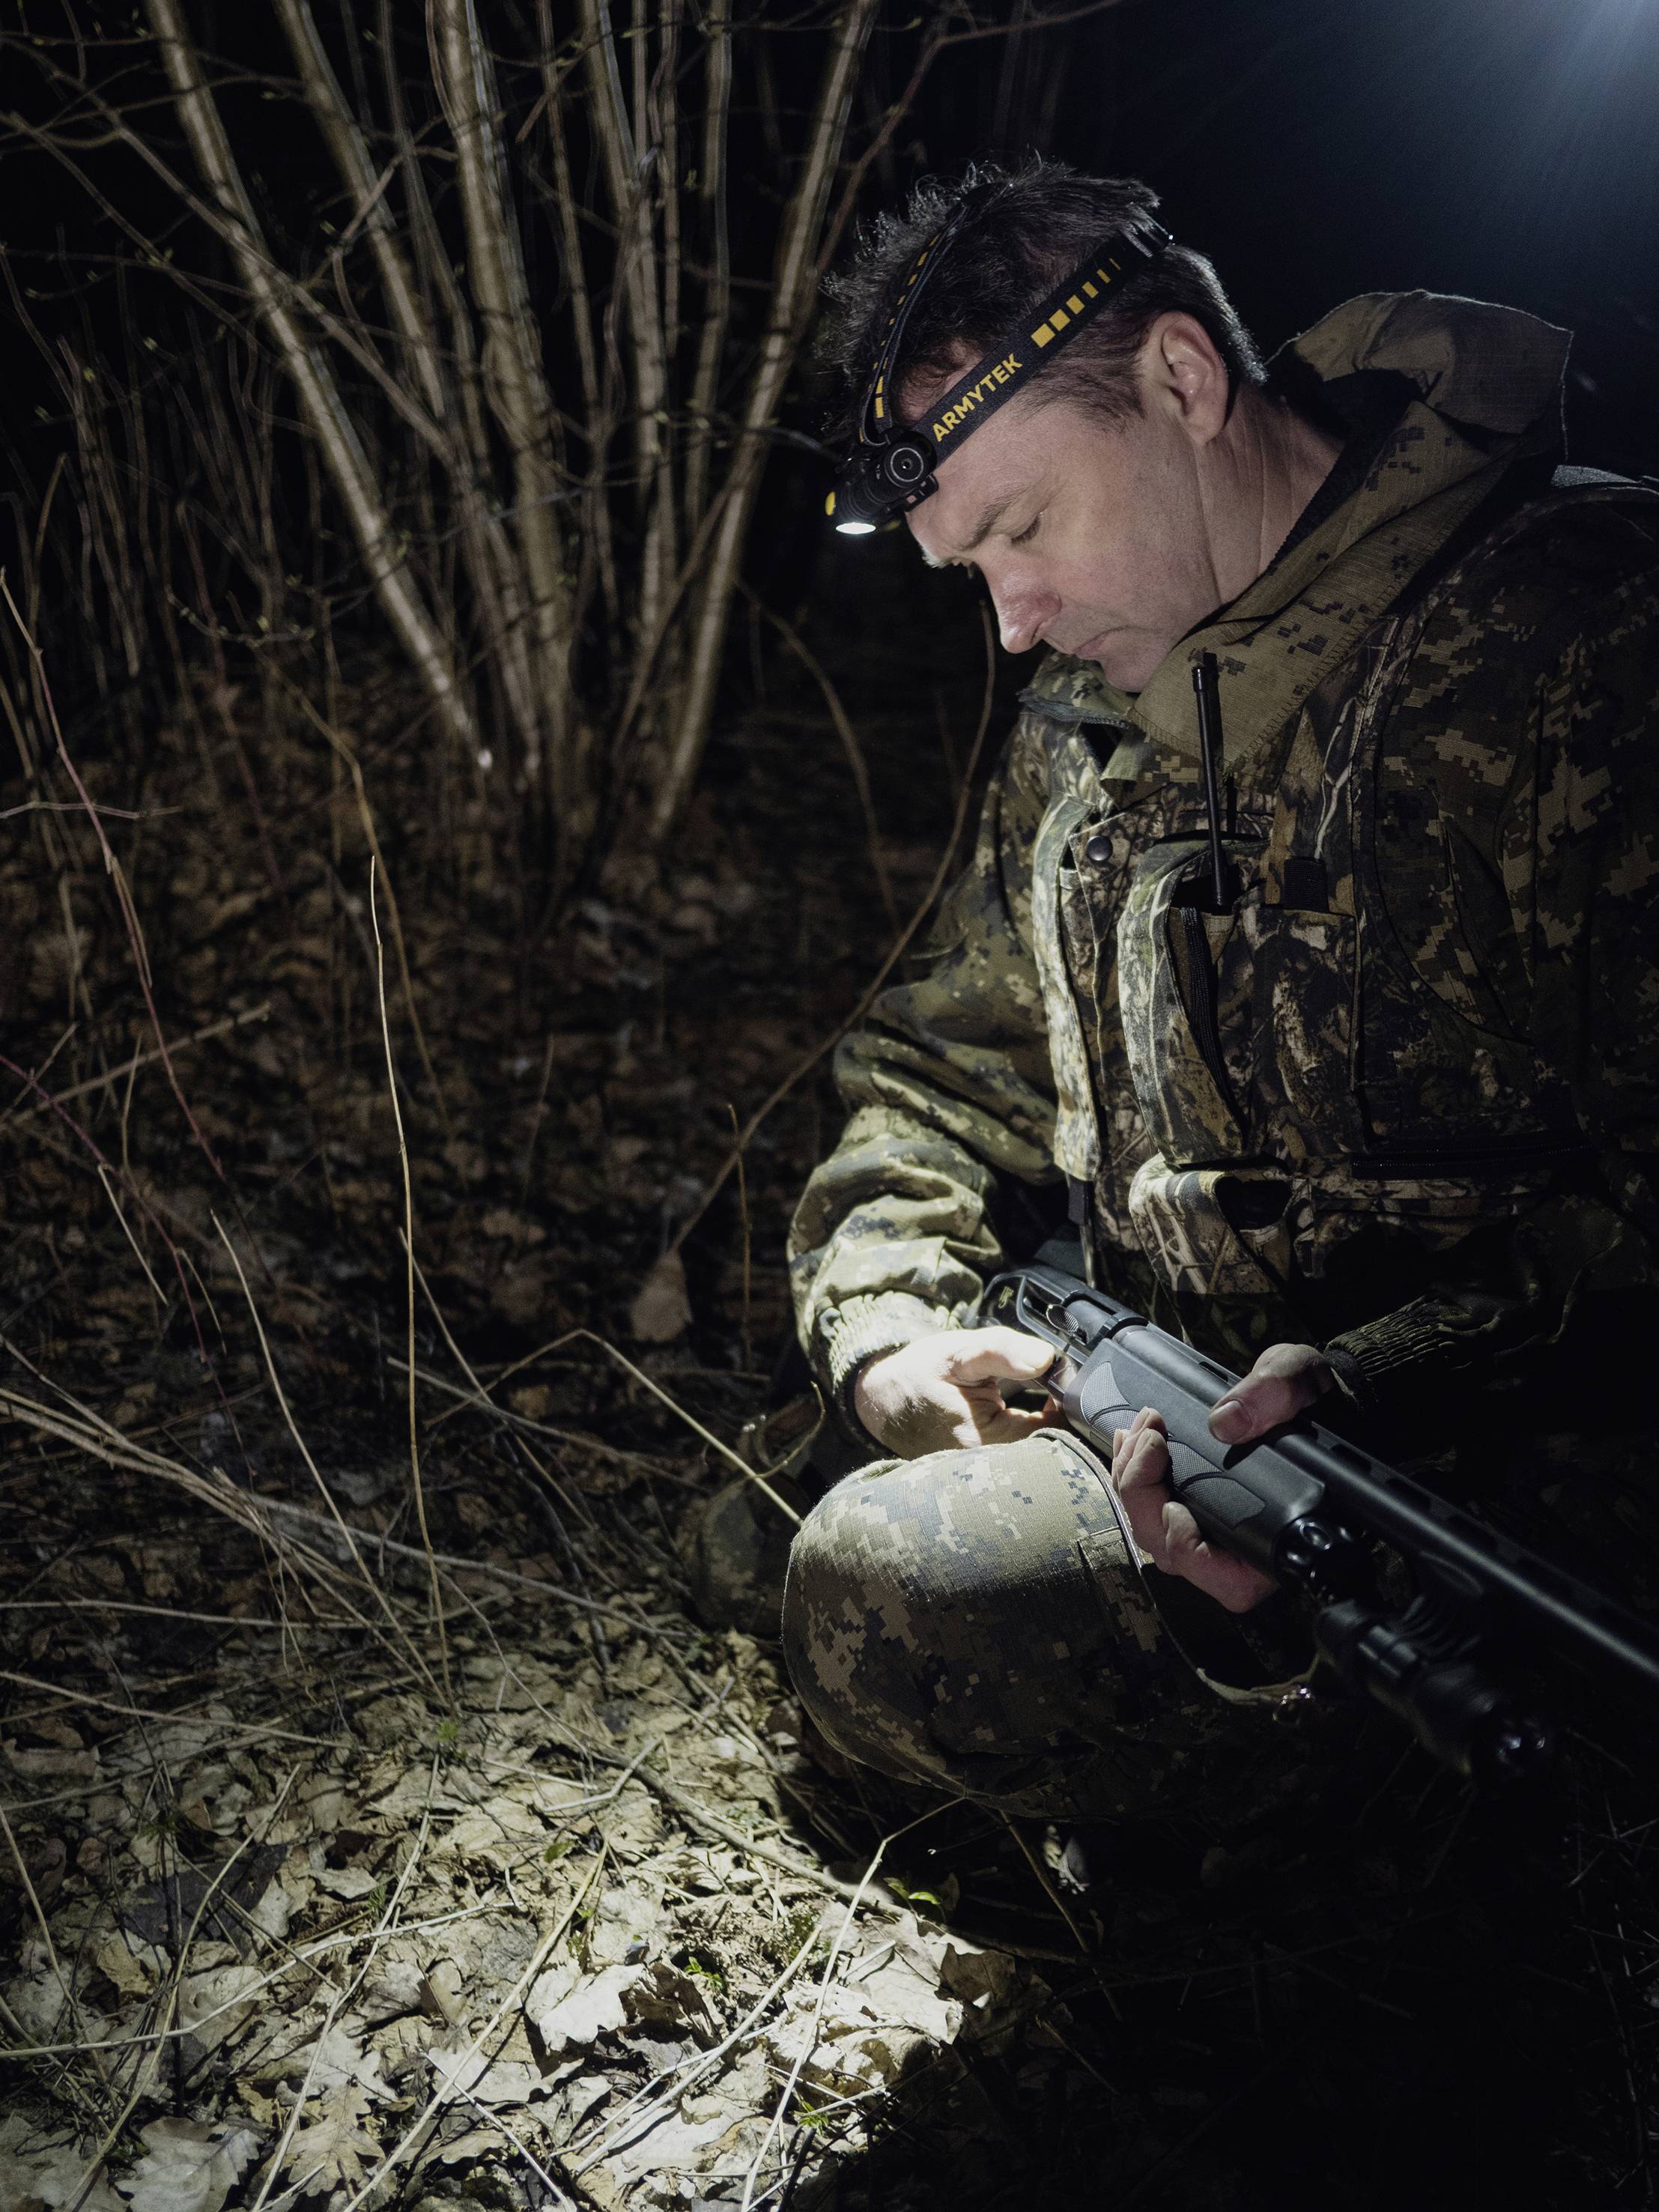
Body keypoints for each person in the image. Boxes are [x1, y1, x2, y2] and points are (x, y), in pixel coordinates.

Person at [756, 160, 1659, 1825]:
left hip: (1522, 1490)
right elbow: (932, 1082)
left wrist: (1389, 1371)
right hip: (1158, 1435)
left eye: (1024, 529)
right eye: (974, 575)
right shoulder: (1086, 734)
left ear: (1182, 381)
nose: (1014, 626)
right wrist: (886, 1335)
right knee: (804, 1530)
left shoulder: (1586, 643)